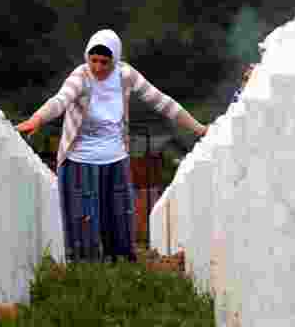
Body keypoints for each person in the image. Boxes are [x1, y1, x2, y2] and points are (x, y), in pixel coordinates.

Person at [16, 28, 208, 264]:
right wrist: (36, 119)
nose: (97, 67)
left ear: (115, 60)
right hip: (80, 160)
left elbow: (163, 103)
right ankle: (84, 273)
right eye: (93, 60)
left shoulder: (124, 75)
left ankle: (120, 269)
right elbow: (60, 101)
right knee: (83, 222)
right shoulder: (81, 77)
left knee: (119, 219)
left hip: (115, 159)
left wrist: (199, 129)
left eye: (104, 62)